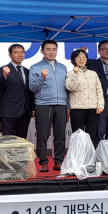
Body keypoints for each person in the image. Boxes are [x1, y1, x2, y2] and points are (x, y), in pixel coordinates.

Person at [29, 40, 68, 172]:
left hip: (61, 104)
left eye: (54, 49)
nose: (51, 52)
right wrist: (42, 78)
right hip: (43, 105)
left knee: (60, 135)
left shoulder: (63, 67)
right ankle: (43, 162)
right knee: (42, 135)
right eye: (48, 49)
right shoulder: (35, 67)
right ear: (42, 51)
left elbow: (66, 88)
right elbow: (32, 87)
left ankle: (58, 161)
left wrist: (67, 105)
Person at [0, 44, 34, 139]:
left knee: (21, 139)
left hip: (25, 111)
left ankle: (20, 155)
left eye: (22, 52)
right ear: (10, 55)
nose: (20, 54)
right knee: (8, 140)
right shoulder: (3, 69)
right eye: (16, 52)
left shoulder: (27, 71)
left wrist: (32, 108)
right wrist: (4, 76)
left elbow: (29, 91)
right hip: (9, 111)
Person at [66, 48, 104, 138]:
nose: (81, 59)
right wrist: (75, 74)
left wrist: (100, 105)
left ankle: (90, 152)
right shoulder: (70, 74)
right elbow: (70, 88)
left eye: (84, 57)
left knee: (92, 135)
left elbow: (99, 90)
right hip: (77, 108)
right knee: (78, 135)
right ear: (73, 60)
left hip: (92, 108)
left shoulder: (93, 73)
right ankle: (79, 152)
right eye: (78, 57)